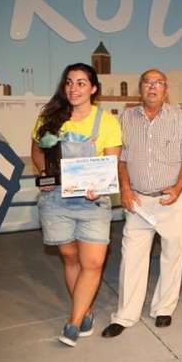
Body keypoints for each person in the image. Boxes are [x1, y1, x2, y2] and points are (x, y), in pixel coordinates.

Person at [101, 70, 182, 338]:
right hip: (138, 201)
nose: (153, 87)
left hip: (173, 199)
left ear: (166, 90)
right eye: (147, 82)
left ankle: (163, 308)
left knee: (173, 256)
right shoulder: (125, 119)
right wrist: (125, 189)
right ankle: (125, 315)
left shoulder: (181, 118)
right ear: (140, 88)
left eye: (158, 83)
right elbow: (120, 159)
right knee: (131, 258)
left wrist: (178, 188)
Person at [32, 63, 122, 346]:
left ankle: (72, 323)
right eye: (69, 82)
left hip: (92, 202)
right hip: (56, 200)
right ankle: (85, 312)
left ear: (93, 88)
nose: (74, 88)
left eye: (81, 83)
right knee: (70, 258)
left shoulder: (106, 122)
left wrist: (100, 186)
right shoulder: (50, 118)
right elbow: (37, 150)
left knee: (93, 262)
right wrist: (45, 173)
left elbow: (111, 161)